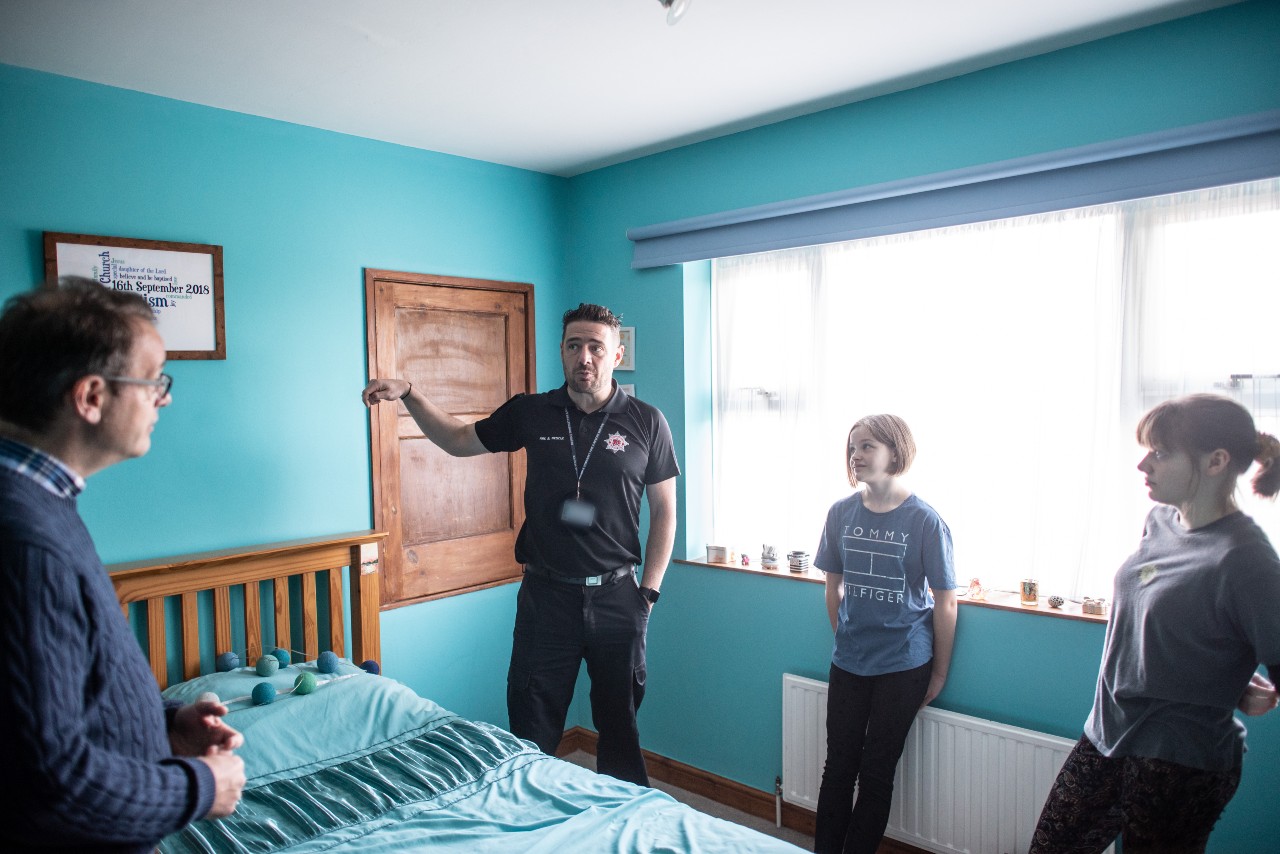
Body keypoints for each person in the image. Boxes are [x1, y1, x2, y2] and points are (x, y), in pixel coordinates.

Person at [362, 302, 678, 786]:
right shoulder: (532, 412)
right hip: (546, 599)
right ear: (562, 352)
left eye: (596, 346)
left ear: (617, 355)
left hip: (619, 598)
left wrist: (647, 595)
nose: (585, 357)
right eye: (575, 346)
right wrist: (410, 394)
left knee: (620, 731)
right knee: (529, 731)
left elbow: (666, 512)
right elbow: (458, 439)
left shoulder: (647, 422)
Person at [0, 278, 246, 852]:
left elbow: (45, 702)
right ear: (90, 397)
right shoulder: (24, 540)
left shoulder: (40, 502)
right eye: (154, 379)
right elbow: (51, 782)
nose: (165, 398)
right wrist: (200, 786)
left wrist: (164, 721)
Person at [1030, 393, 1280, 854]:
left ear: (1215, 462)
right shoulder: (1159, 521)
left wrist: (1227, 684)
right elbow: (1165, 621)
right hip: (1106, 731)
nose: (1144, 464)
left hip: (1179, 756)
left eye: (1161, 453)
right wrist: (1220, 675)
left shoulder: (1248, 559)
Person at [813, 414, 957, 854]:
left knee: (876, 773)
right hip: (849, 663)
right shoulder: (840, 513)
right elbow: (832, 586)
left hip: (904, 666)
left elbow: (946, 601)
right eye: (853, 447)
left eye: (868, 446)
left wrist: (938, 674)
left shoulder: (925, 521)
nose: (856, 456)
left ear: (895, 452)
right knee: (838, 768)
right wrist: (846, 637)